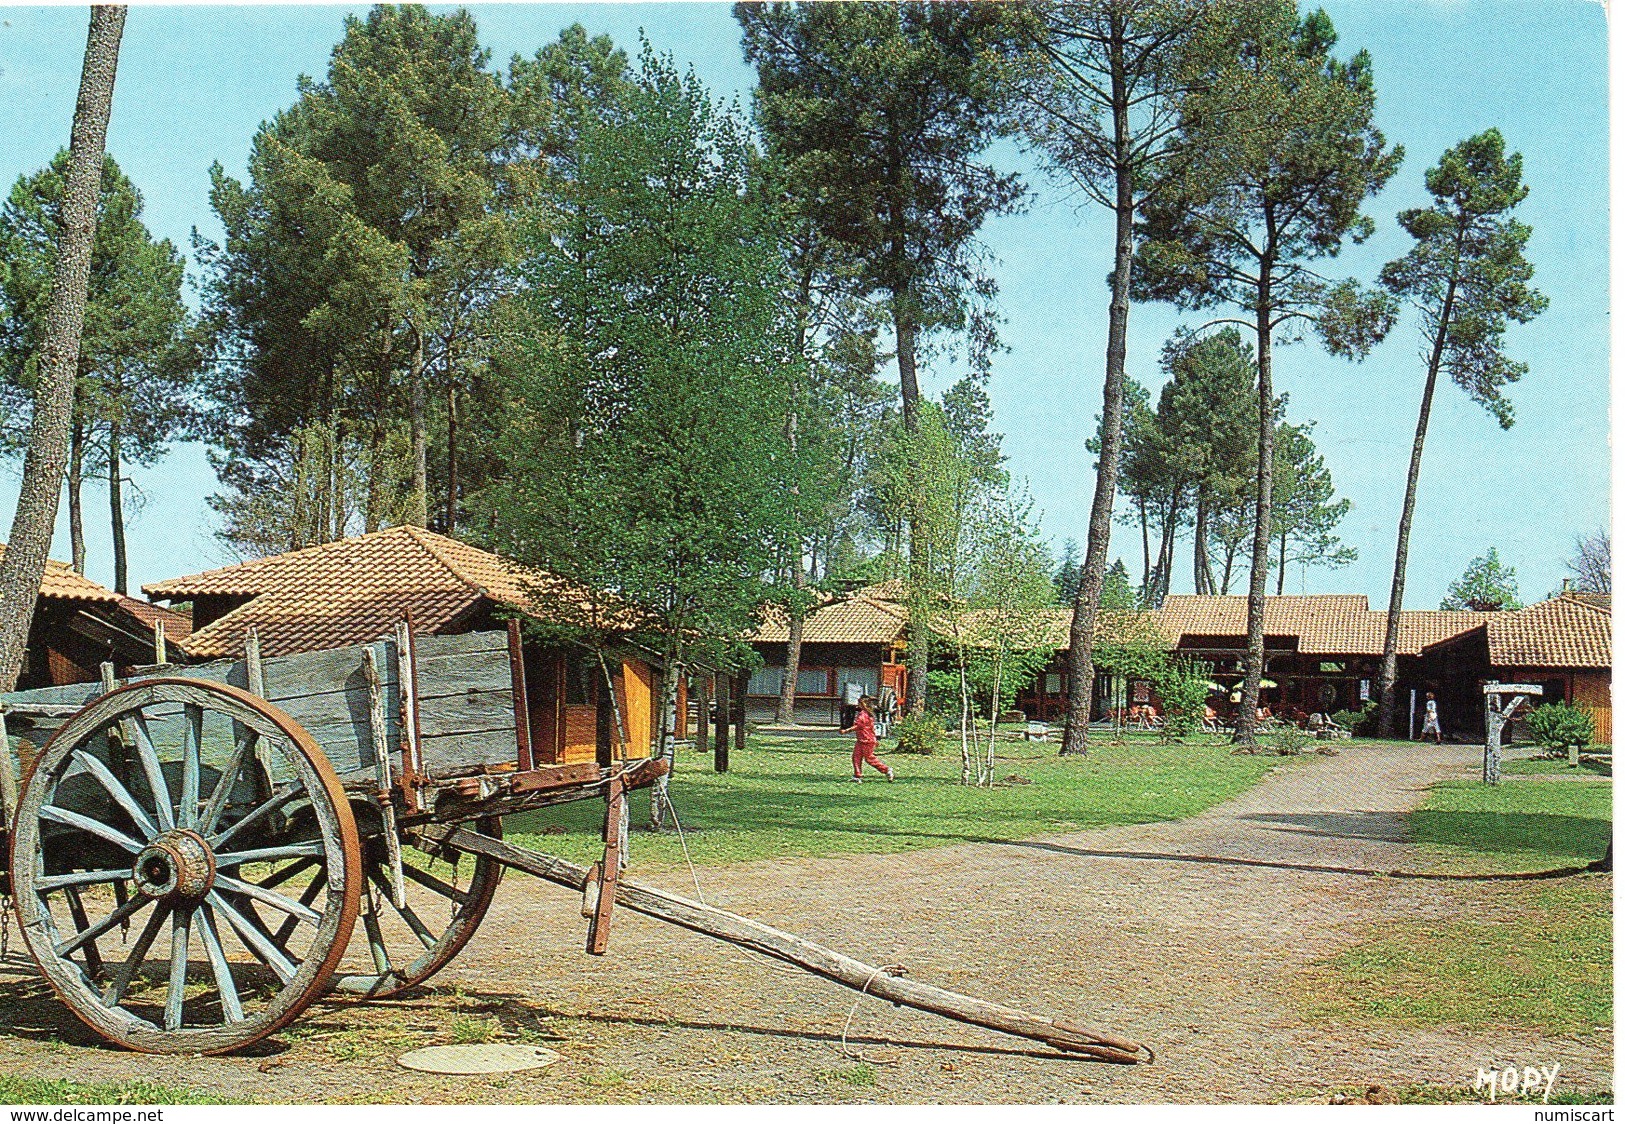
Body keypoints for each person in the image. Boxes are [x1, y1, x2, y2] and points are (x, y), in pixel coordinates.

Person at [841, 695, 893, 783]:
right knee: (856, 757)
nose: (857, 705)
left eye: (859, 703)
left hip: (867, 740)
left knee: (869, 759)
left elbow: (859, 726)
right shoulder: (868, 714)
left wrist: (846, 730)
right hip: (862, 740)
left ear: (863, 704)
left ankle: (887, 770)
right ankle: (857, 776)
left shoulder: (863, 715)